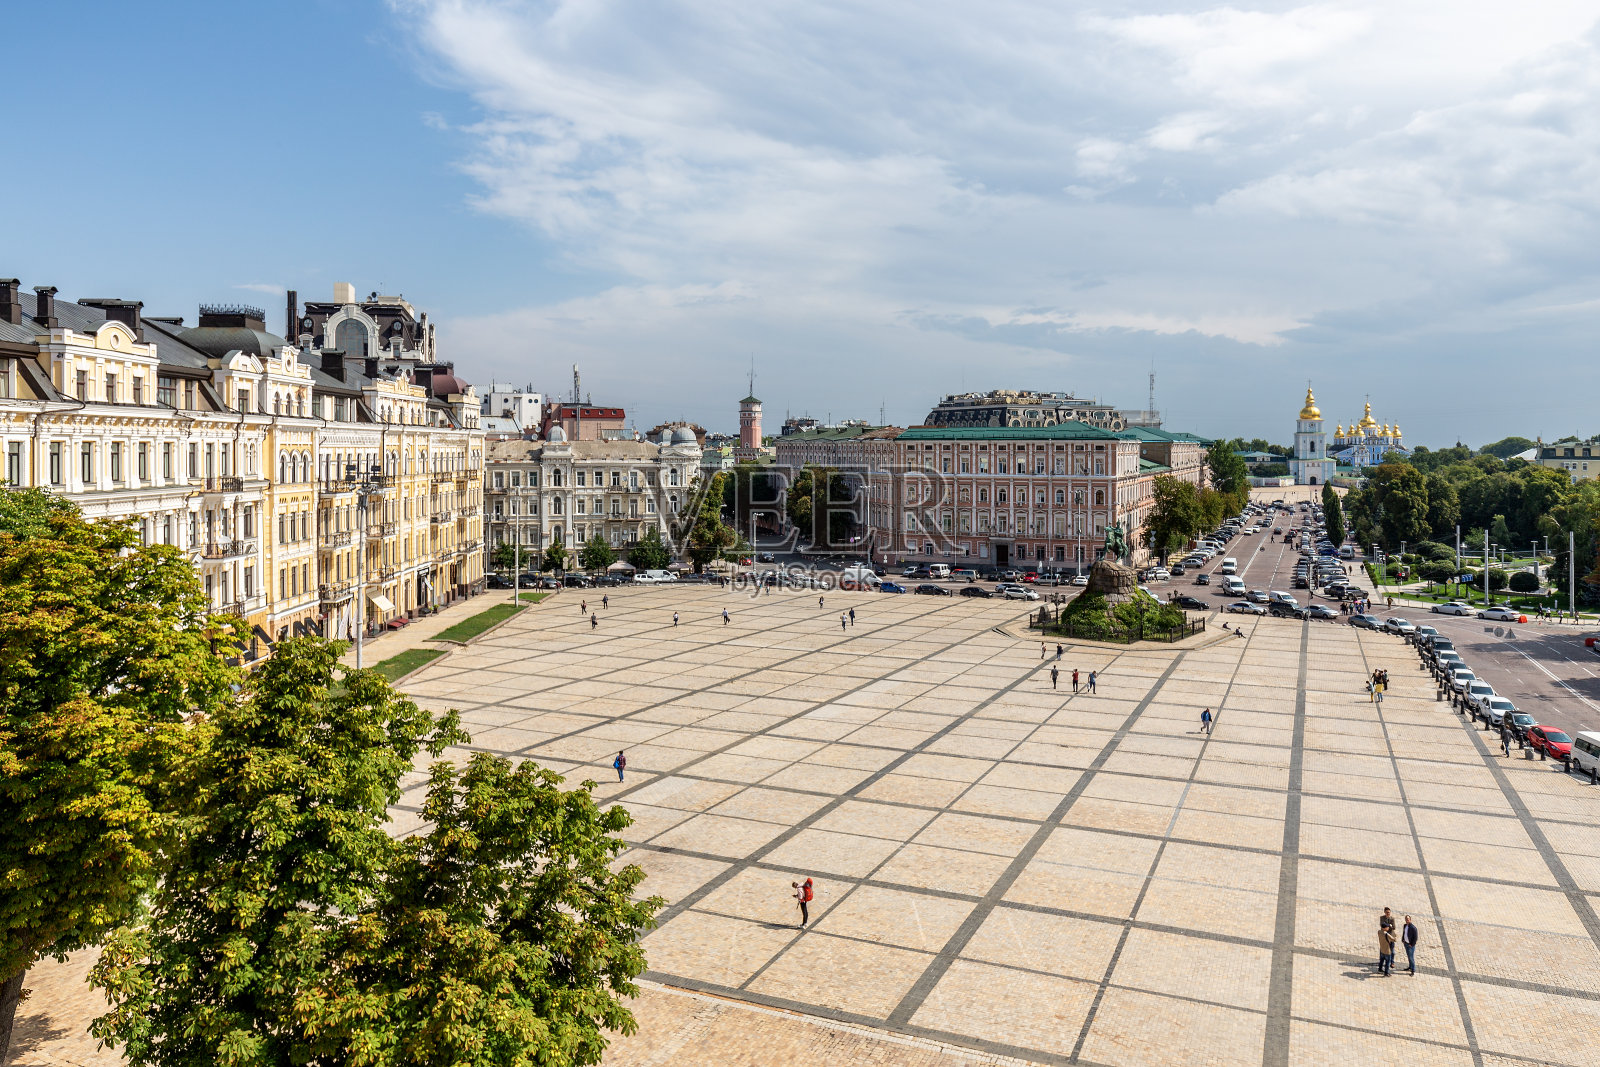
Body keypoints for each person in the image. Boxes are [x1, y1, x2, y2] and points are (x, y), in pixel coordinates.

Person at [1377, 908, 1396, 976]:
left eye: (1389, 912)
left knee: (1392, 951)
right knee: (1387, 955)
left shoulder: (1392, 919)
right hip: (1387, 936)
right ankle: (1386, 972)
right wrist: (1388, 927)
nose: (1388, 913)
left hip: (1389, 934)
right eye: (1387, 912)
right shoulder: (1382, 918)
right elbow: (1382, 924)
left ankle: (1392, 962)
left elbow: (1394, 927)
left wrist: (1390, 927)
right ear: (1384, 912)